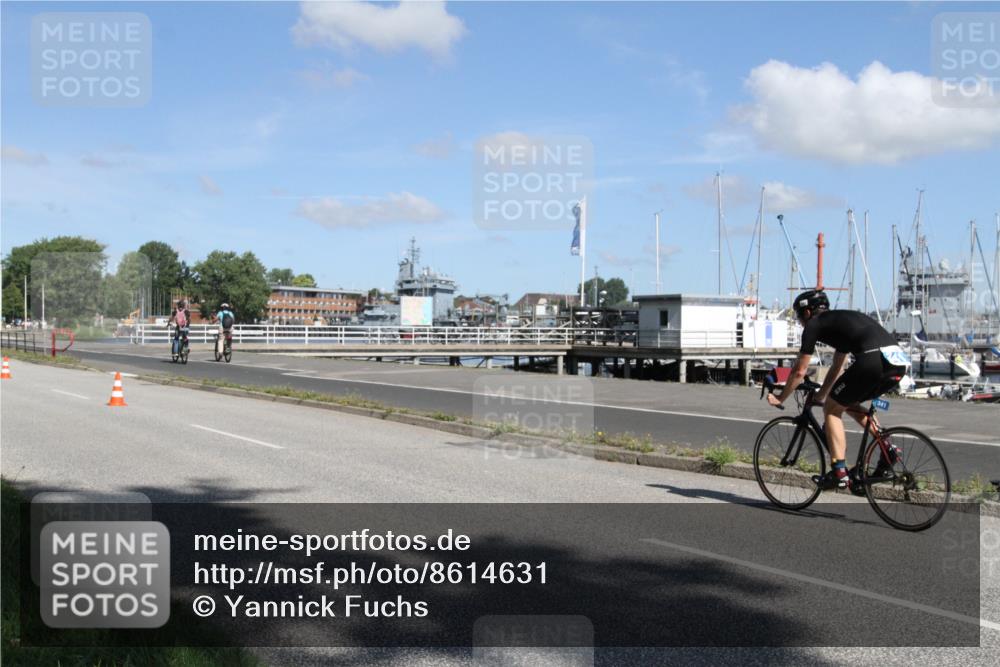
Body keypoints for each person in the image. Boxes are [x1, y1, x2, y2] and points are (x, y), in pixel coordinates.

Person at [767, 289, 907, 490]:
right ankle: (888, 449)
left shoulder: (814, 324)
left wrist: (781, 397)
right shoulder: (842, 321)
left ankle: (839, 472)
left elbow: (799, 371)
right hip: (897, 363)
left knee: (831, 409)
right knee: (847, 403)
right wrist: (821, 395)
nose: (800, 322)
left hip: (872, 360)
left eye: (799, 316)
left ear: (807, 312)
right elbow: (837, 367)